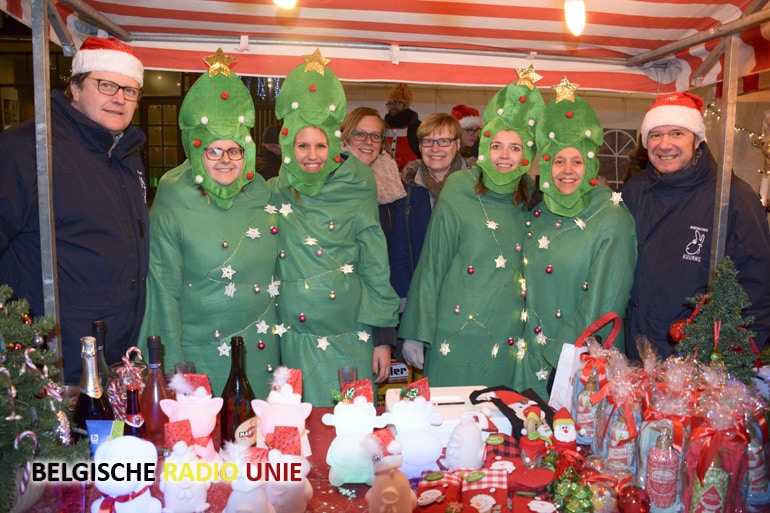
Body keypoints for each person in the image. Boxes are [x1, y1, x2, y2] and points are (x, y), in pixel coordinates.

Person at [0, 37, 148, 385]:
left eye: (130, 90)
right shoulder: (28, 149)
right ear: (75, 88)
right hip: (51, 357)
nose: (119, 98)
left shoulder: (125, 154)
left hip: (113, 353)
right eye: (106, 84)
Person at [137, 49, 280, 396]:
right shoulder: (173, 196)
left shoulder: (262, 192)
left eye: (234, 150)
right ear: (195, 150)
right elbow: (163, 292)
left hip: (262, 353)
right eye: (213, 151)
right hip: (199, 356)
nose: (225, 161)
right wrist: (173, 372)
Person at [398, 70, 545, 388]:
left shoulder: (531, 198)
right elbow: (432, 264)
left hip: (509, 334)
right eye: (498, 146)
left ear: (527, 156)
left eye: (515, 148)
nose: (505, 155)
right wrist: (415, 332)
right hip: (455, 332)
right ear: (485, 147)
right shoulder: (459, 186)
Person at [270, 50, 400, 406]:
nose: (312, 155)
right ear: (288, 146)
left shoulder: (358, 185)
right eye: (302, 145)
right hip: (292, 338)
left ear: (333, 146)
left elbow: (375, 263)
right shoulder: (272, 190)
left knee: (352, 439)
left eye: (320, 145)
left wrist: (382, 338)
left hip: (351, 337)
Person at [623, 91, 770, 360]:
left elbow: (758, 289)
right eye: (655, 135)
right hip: (635, 351)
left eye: (677, 133)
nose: (664, 144)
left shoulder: (733, 197)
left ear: (698, 139)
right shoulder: (635, 190)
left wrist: (732, 361)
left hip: (696, 360)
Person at [521, 78, 637, 399]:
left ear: (591, 165)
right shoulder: (537, 216)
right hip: (530, 364)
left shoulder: (611, 218)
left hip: (580, 370)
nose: (567, 170)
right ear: (546, 166)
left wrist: (561, 360)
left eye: (577, 161)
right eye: (558, 161)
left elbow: (602, 307)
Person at [389, 113, 472, 309]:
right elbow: (399, 251)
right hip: (419, 298)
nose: (435, 148)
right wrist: (404, 298)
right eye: (427, 141)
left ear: (458, 144)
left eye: (444, 140)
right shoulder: (406, 192)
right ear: (419, 147)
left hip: (468, 298)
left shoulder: (476, 189)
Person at [340, 106, 406, 242]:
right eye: (360, 134)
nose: (368, 141)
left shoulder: (391, 180)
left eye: (375, 136)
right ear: (346, 137)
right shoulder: (333, 178)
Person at [384, 83, 421, 169]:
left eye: (397, 102)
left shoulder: (418, 127)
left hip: (411, 179)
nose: (393, 106)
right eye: (390, 103)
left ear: (406, 104)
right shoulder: (382, 126)